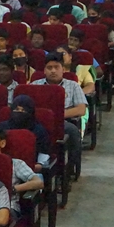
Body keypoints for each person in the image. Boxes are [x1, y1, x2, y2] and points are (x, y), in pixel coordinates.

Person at [31, 53, 87, 181]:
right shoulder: (35, 85)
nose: (53, 71)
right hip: (38, 121)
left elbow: (81, 109)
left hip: (62, 121)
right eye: (49, 68)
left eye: (56, 67)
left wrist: (56, 116)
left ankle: (70, 168)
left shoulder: (73, 85)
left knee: (72, 131)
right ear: (44, 70)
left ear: (63, 69)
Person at [0, 127, 44, 213]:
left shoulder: (15, 163)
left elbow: (38, 182)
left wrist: (13, 189)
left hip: (8, 207)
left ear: (2, 143)